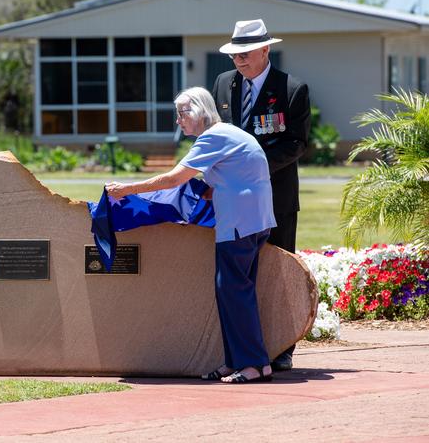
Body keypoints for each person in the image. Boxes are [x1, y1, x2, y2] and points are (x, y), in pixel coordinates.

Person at [106, 86, 276, 384]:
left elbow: (175, 178)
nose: (178, 120)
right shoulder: (225, 134)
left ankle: (255, 365)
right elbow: (213, 186)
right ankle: (236, 361)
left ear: (199, 111)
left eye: (182, 113)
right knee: (231, 292)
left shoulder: (213, 136)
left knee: (235, 293)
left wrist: (127, 190)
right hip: (253, 220)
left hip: (239, 223)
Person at [211, 19, 311, 372]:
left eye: (246, 53)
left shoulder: (291, 89)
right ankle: (245, 351)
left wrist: (251, 167)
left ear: (266, 49)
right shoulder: (223, 84)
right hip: (233, 203)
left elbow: (296, 143)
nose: (239, 60)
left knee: (281, 271)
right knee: (240, 275)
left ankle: (283, 347)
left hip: (276, 198)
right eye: (234, 53)